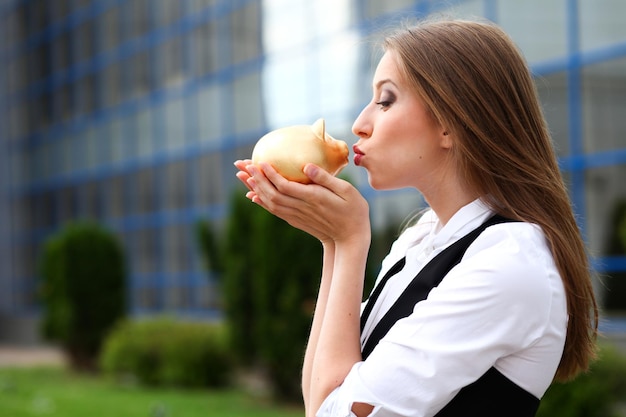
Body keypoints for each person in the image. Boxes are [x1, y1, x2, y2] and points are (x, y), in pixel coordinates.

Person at [234, 18, 598, 417]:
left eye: (385, 100)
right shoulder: (422, 239)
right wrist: (333, 242)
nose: (360, 125)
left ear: (449, 123)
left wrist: (352, 242)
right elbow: (318, 396)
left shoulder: (508, 262)